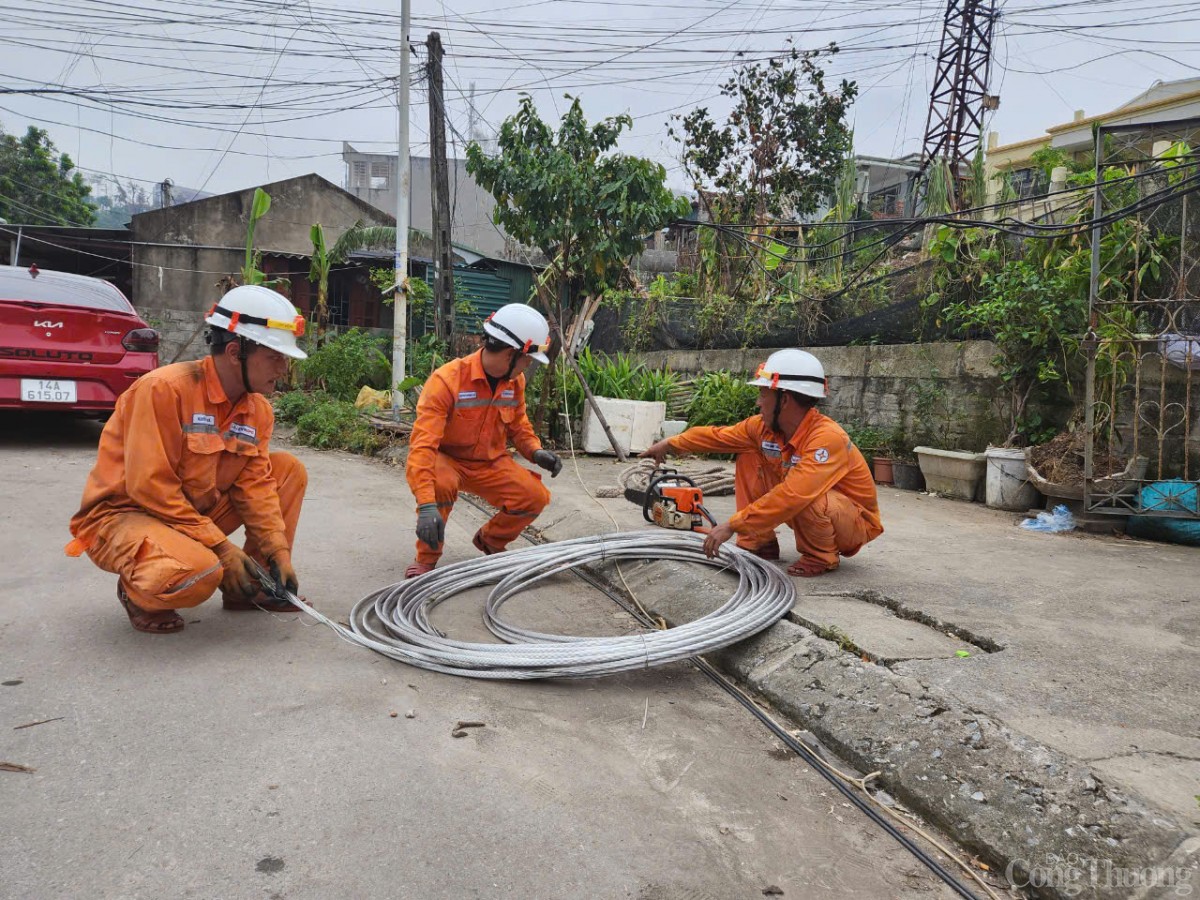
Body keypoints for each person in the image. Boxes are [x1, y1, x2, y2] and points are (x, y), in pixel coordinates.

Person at [65, 285, 310, 633]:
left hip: (189, 516)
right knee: (201, 570)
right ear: (235, 352)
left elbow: (255, 485)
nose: (283, 368)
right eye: (275, 356)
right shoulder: (164, 390)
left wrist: (277, 551)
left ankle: (252, 586)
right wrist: (222, 549)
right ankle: (141, 591)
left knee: (287, 470)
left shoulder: (258, 411)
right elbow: (150, 488)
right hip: (125, 516)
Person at [640, 348, 882, 576]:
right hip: (813, 510)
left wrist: (733, 525)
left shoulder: (827, 439)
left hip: (853, 523)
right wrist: (671, 443)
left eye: (763, 394)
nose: (758, 402)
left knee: (807, 494)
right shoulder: (764, 429)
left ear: (784, 400)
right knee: (748, 454)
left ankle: (821, 556)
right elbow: (719, 436)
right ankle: (760, 541)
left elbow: (793, 496)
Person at [404, 303, 563, 579]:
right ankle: (427, 558)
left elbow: (519, 426)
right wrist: (427, 505)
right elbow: (422, 447)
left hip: (490, 463)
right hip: (448, 461)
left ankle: (491, 541)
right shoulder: (446, 381)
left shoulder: (515, 382)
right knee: (439, 482)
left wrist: (536, 452)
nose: (528, 366)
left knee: (534, 496)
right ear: (512, 354)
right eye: (528, 359)